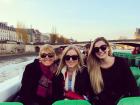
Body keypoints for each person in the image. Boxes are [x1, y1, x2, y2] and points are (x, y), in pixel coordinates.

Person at [87, 37, 139, 105]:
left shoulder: (121, 62)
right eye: (96, 49)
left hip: (121, 102)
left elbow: (132, 86)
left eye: (103, 47)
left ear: (108, 48)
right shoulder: (93, 67)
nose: (100, 51)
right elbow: (91, 93)